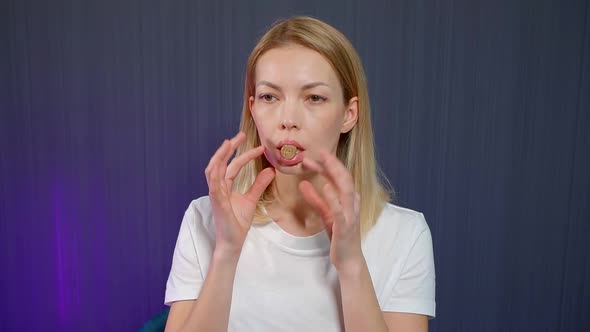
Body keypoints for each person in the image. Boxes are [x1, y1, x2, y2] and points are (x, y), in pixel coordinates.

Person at [163, 16, 435, 332]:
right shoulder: (204, 219)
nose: (288, 118)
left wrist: (351, 266)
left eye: (314, 98)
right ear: (253, 109)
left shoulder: (405, 234)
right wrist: (226, 253)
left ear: (349, 114)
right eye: (270, 97)